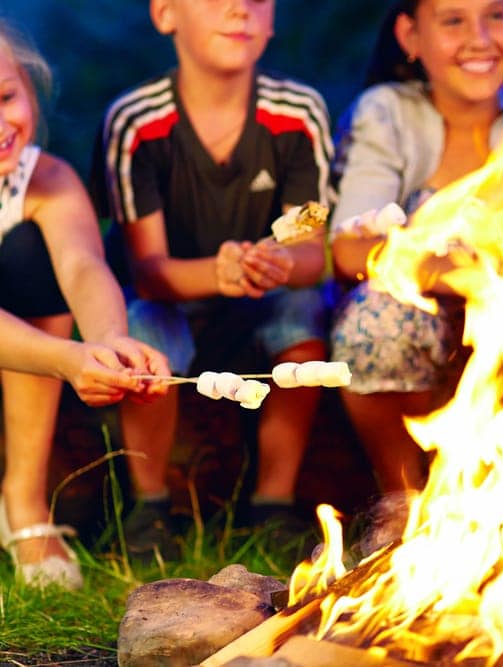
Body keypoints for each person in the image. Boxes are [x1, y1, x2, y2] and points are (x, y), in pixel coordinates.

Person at [92, 0, 333, 561]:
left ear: (273, 19)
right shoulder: (136, 122)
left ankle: (274, 503)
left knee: (302, 316)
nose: (237, 10)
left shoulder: (301, 114)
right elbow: (146, 271)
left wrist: (276, 262)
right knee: (144, 331)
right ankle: (149, 508)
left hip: (265, 296)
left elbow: (310, 250)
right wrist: (217, 272)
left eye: (256, 1)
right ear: (164, 14)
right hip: (175, 293)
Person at [329, 0, 503, 496]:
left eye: (495, 17)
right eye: (452, 21)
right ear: (410, 35)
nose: (479, 38)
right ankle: (402, 497)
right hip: (418, 326)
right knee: (373, 323)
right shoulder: (387, 115)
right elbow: (352, 252)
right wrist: (465, 272)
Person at [0, 21, 169, 589]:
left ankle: (22, 498)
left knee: (33, 254)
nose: (2, 125)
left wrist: (107, 341)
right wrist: (65, 359)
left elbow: (81, 266)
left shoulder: (45, 177)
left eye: (6, 97)